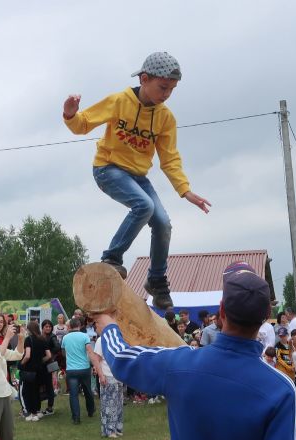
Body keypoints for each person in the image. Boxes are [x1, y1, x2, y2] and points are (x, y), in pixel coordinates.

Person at [95, 261, 296, 440]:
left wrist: (108, 325)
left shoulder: (178, 365)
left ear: (221, 310)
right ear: (266, 315)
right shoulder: (280, 390)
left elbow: (121, 359)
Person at [62, 51, 210, 309]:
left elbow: (170, 159)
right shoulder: (119, 101)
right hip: (108, 168)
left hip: (138, 176)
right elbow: (83, 124)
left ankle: (156, 280)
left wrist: (185, 191)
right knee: (145, 206)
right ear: (144, 79)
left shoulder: (165, 118)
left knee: (163, 223)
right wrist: (70, 114)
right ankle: (111, 259)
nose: (166, 94)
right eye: (163, 87)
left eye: (172, 90)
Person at [61, 317, 95, 425]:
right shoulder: (85, 336)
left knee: (73, 394)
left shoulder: (65, 338)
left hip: (71, 369)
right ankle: (90, 411)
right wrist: (93, 364)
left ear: (70, 326)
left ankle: (76, 418)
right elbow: (89, 351)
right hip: (84, 368)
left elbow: (63, 353)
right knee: (88, 391)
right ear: (79, 326)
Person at [92, 325, 124, 438]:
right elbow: (96, 359)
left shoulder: (117, 339)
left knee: (118, 403)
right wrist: (101, 375)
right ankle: (109, 430)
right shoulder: (101, 340)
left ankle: (117, 427)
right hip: (107, 375)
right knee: (108, 405)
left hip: (118, 376)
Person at [19, 321, 52, 421]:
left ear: (29, 329)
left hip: (29, 370)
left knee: (27, 391)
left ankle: (30, 412)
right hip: (40, 370)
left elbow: (27, 355)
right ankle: (37, 411)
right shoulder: (43, 339)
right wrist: (41, 361)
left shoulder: (28, 339)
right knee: (37, 391)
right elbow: (49, 355)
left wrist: (21, 363)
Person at [40, 319, 60, 415]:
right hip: (41, 364)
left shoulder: (52, 336)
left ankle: (50, 407)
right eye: (46, 326)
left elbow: (57, 346)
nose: (48, 328)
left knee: (49, 386)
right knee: (41, 385)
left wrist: (50, 355)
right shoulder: (41, 336)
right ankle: (39, 406)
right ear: (42, 327)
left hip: (49, 364)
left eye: (49, 327)